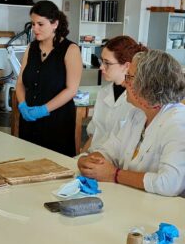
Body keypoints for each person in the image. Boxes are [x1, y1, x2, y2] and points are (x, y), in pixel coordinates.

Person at [78, 50, 185, 197]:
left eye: (129, 77)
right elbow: (110, 151)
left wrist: (114, 174)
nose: (124, 83)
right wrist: (90, 162)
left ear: (148, 85)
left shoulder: (178, 122)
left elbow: (169, 184)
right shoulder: (137, 114)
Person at [15, 0, 82, 157]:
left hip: (57, 121)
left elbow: (71, 90)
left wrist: (44, 109)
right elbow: (20, 83)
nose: (35, 29)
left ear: (55, 24)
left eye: (40, 24)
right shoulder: (31, 48)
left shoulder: (70, 49)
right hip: (29, 118)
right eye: (32, 24)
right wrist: (23, 105)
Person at [83, 36, 147, 152]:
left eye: (107, 63)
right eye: (102, 61)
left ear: (126, 66)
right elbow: (93, 135)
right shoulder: (104, 92)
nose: (101, 67)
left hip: (116, 164)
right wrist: (79, 159)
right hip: (94, 157)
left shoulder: (138, 99)